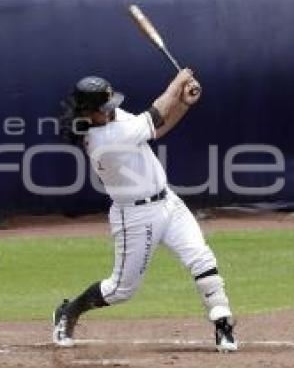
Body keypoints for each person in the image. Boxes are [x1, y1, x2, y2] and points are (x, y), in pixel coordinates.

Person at [53, 72, 237, 352]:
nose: (112, 111)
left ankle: (223, 325)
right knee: (120, 290)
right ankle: (69, 310)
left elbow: (156, 129)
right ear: (89, 113)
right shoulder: (103, 139)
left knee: (201, 257)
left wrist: (183, 104)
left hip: (168, 203)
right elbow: (154, 114)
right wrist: (178, 83)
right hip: (135, 217)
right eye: (104, 109)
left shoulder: (114, 119)